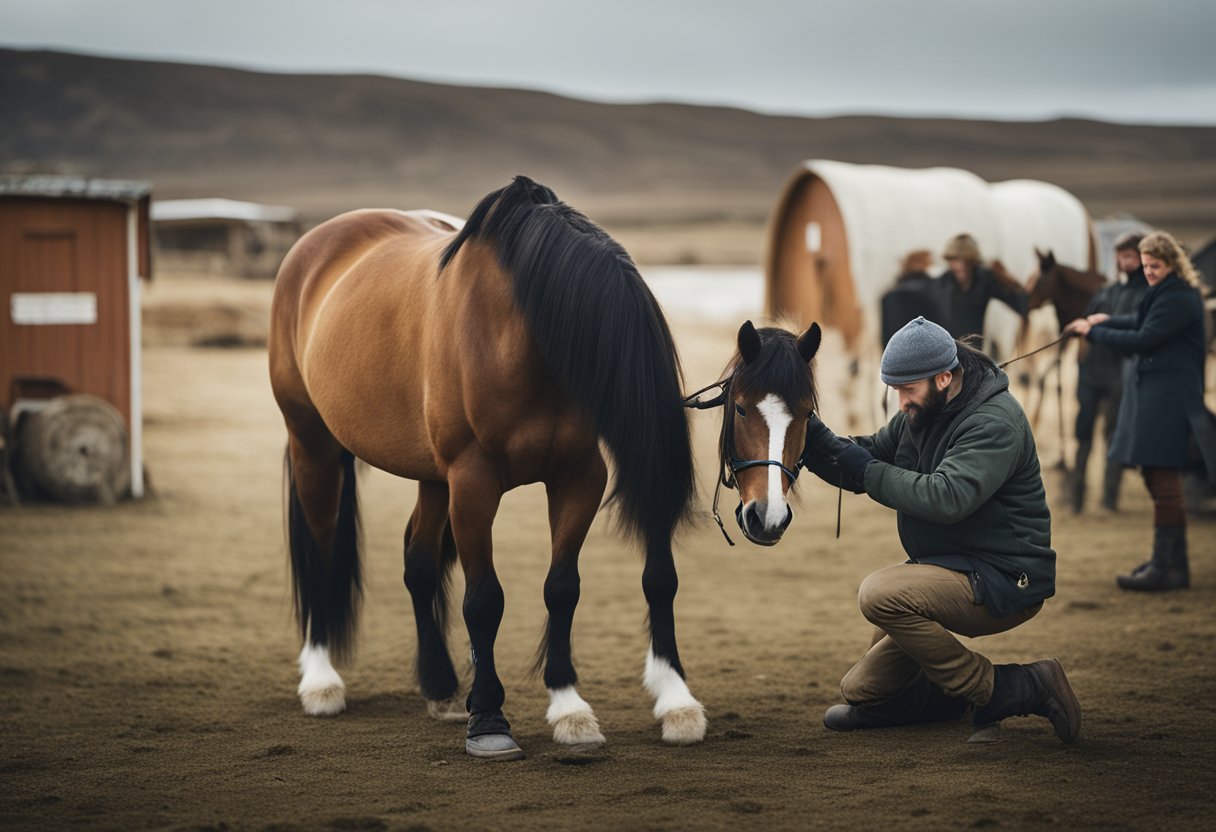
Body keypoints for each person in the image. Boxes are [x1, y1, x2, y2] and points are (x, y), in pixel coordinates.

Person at [801, 316, 1080, 744]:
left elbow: (947, 498)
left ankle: (1013, 686)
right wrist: (807, 431)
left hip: (1004, 577)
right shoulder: (922, 410)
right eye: (896, 390)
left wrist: (869, 470)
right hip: (950, 568)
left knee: (880, 594)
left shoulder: (994, 421)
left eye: (907, 390)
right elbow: (870, 457)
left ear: (945, 377)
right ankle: (939, 701)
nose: (901, 402)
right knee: (863, 691)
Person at [1064, 231, 1215, 591]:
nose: (1147, 271)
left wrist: (1093, 334)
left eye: (1154, 265)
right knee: (1155, 477)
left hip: (1171, 400)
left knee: (1163, 480)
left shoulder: (1179, 296)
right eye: (1145, 265)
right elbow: (1137, 320)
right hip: (1160, 397)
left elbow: (1145, 338)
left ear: (1172, 263)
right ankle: (1169, 562)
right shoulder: (1164, 291)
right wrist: (1103, 320)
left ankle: (1168, 568)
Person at [1069, 232, 1149, 513]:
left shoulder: (1147, 296)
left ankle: (1109, 500)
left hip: (1120, 374)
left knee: (1113, 436)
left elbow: (1137, 333)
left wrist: (1097, 331)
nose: (1123, 262)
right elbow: (1084, 324)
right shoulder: (1107, 291)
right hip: (1091, 373)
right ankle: (1076, 498)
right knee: (1083, 433)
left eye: (1129, 256)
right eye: (1120, 256)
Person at [939, 233, 1029, 349]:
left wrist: (1007, 278)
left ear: (972, 261)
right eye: (954, 260)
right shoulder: (941, 284)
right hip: (946, 352)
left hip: (974, 352)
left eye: (964, 261)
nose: (959, 266)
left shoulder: (986, 279)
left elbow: (1019, 302)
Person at [880, 250, 950, 349]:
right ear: (924, 266)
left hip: (895, 355)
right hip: (929, 355)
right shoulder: (932, 292)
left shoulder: (889, 295)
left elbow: (885, 335)